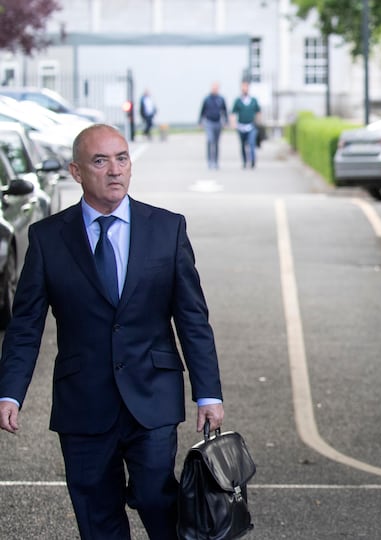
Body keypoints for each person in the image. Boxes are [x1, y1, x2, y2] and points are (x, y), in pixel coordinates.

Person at [0, 124, 225, 539]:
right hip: (83, 402)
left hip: (152, 395)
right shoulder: (47, 238)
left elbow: (192, 317)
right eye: (100, 161)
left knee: (159, 500)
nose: (114, 170)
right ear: (76, 171)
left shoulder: (167, 228)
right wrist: (9, 391)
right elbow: (26, 324)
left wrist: (208, 392)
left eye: (121, 158)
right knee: (97, 517)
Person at [231, 81, 261, 169]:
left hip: (251, 126)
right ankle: (244, 161)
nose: (245, 89)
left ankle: (252, 160)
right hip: (241, 126)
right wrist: (233, 124)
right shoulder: (238, 101)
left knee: (251, 143)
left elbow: (258, 112)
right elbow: (233, 113)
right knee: (243, 145)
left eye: (246, 87)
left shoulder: (253, 100)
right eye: (243, 87)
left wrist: (258, 123)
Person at [199, 82, 228, 169]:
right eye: (213, 87)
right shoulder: (207, 99)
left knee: (216, 143)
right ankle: (209, 161)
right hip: (209, 122)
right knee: (210, 140)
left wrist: (226, 121)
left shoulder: (221, 99)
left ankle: (216, 161)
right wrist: (200, 121)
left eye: (216, 88)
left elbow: (225, 111)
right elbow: (202, 110)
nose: (214, 89)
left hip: (218, 122)